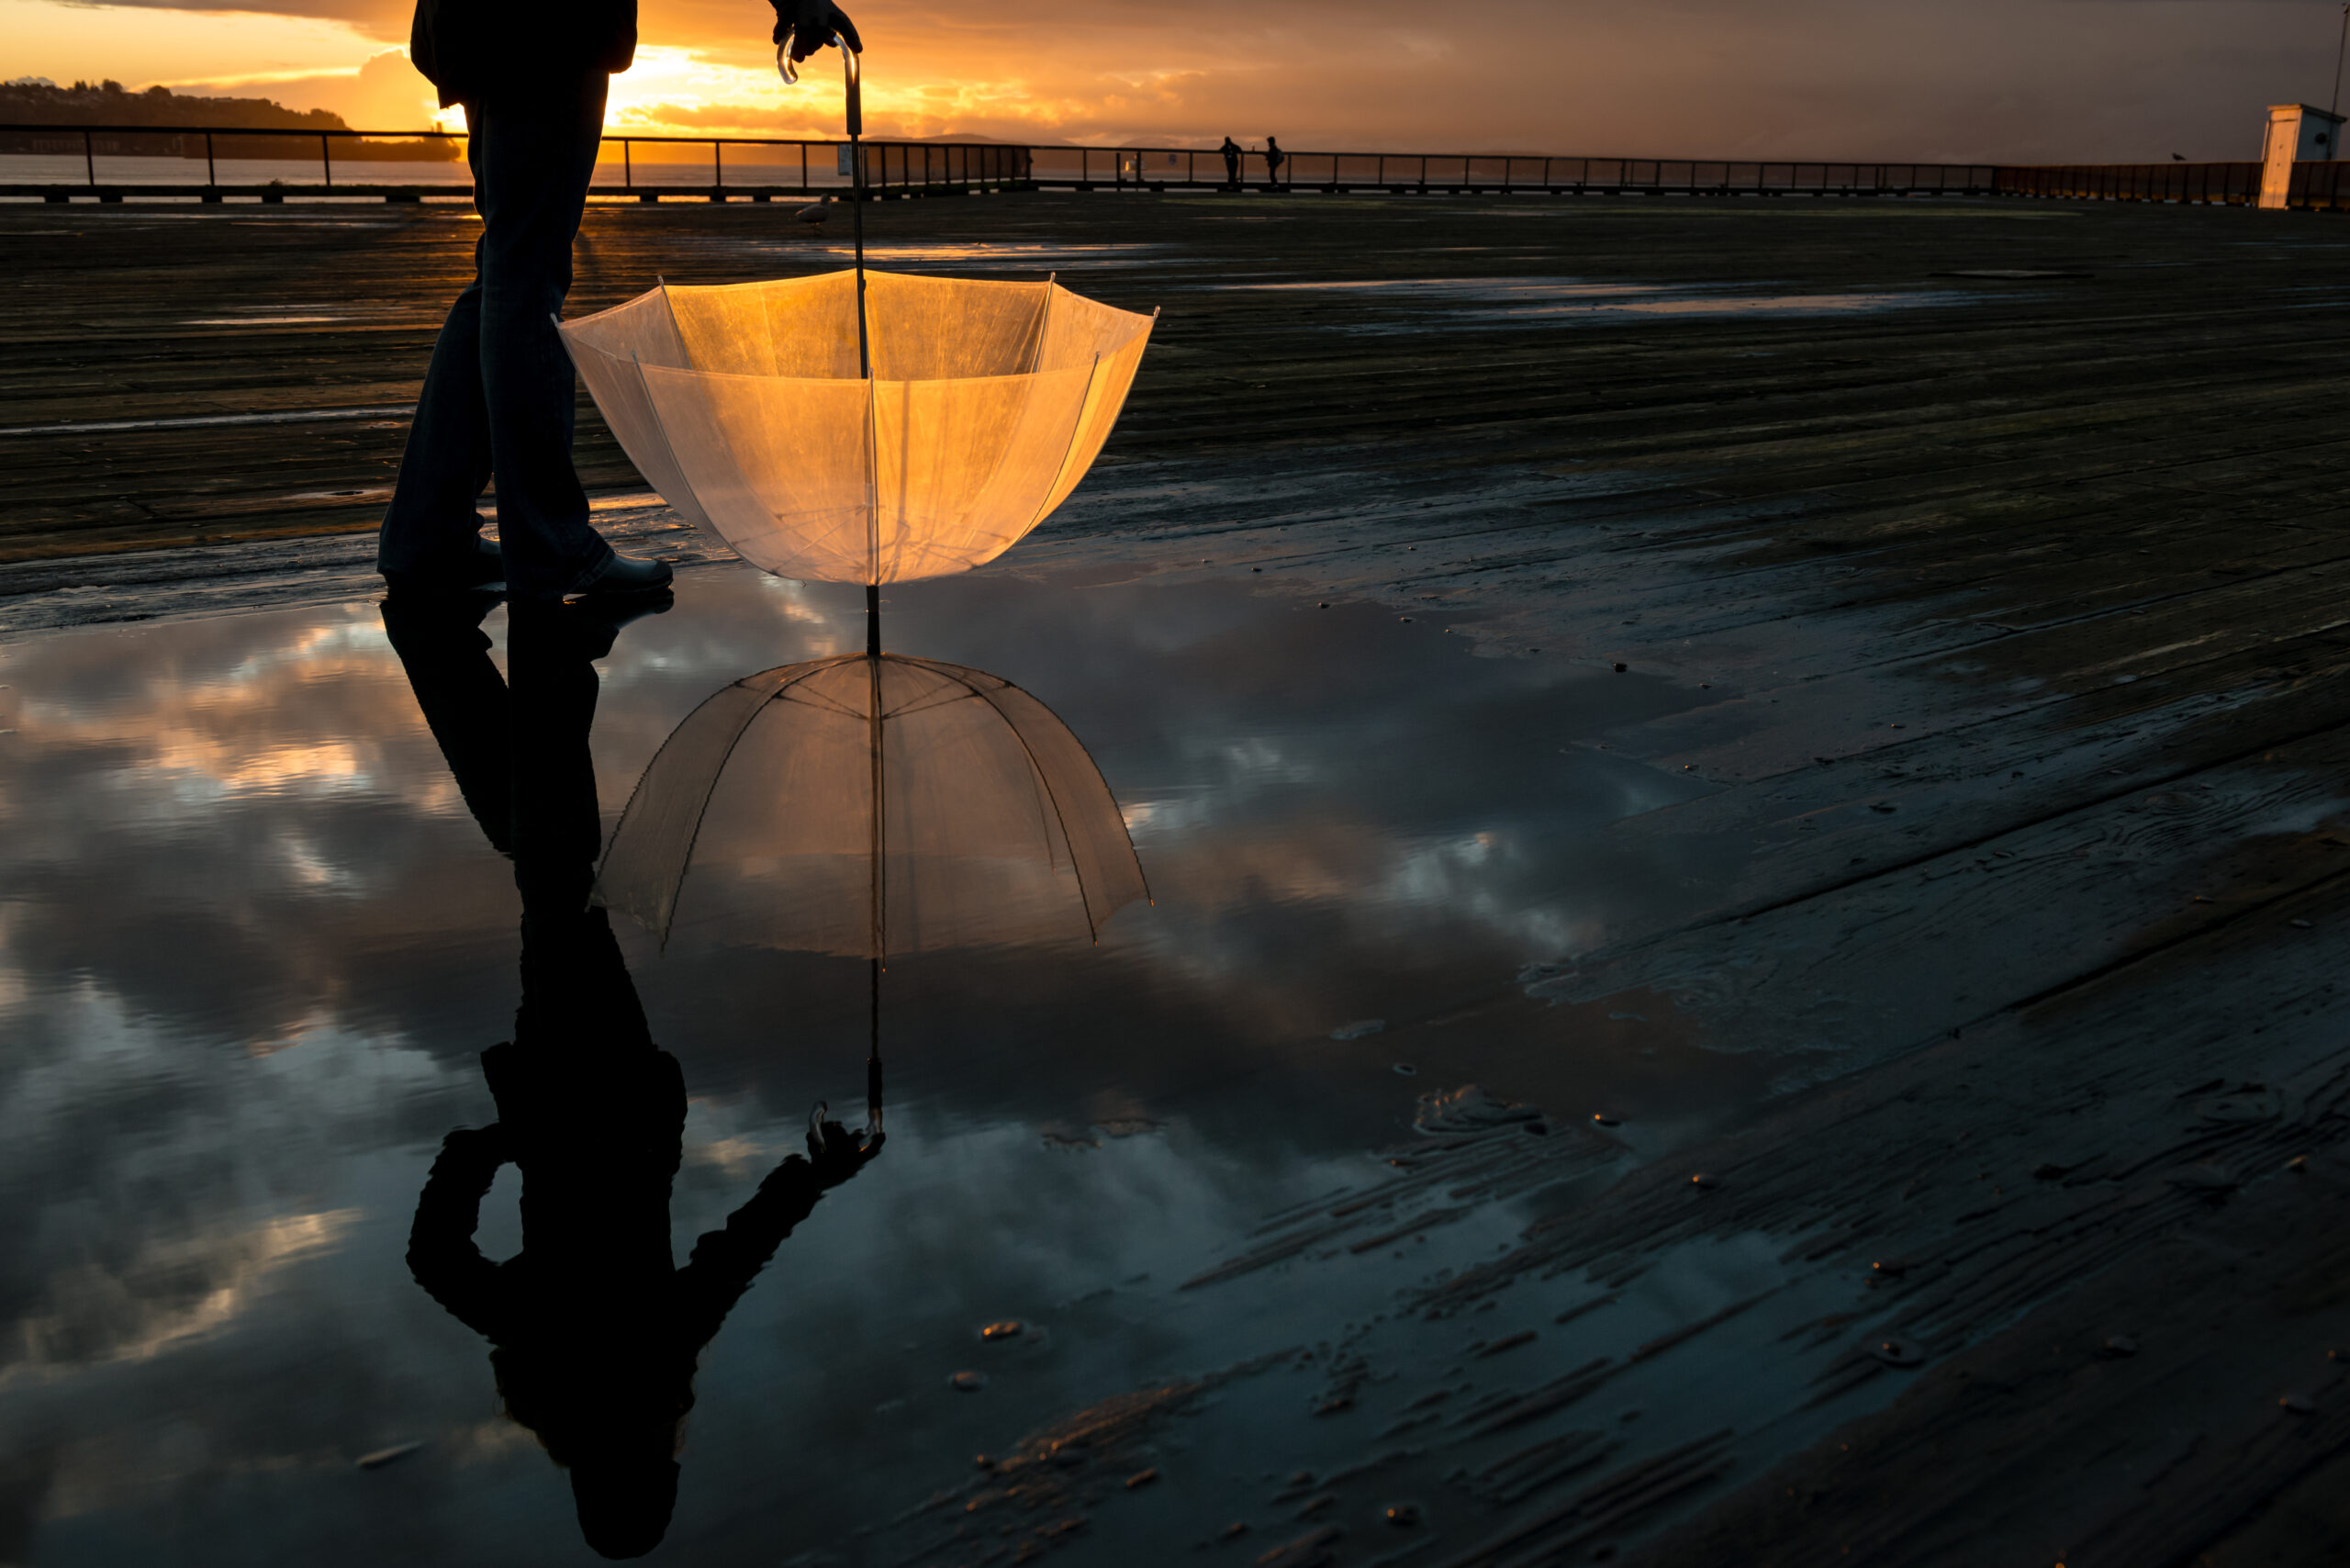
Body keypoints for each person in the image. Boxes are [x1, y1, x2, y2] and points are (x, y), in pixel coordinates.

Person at [386, 587, 881, 1558]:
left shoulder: (653, 1366)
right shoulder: (545, 1361)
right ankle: (502, 654)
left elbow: (737, 1253)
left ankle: (519, 654)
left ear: (651, 1468)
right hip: (566, 1088)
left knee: (561, 877)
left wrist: (814, 1174)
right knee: (556, 882)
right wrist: (487, 1148)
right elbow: (438, 1260)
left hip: (605, 1085)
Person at [380, 0, 859, 599]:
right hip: (546, 30)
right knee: (526, 270)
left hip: (481, 27)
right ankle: (548, 543)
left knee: (508, 267)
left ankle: (431, 532)